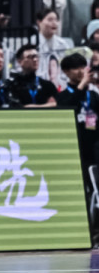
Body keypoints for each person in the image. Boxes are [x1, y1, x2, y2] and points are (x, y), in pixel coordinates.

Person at [56, 52, 99, 200]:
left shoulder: (93, 95)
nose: (81, 71)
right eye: (76, 68)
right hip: (74, 145)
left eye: (83, 67)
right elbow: (68, 107)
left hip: (93, 144)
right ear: (66, 72)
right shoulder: (62, 96)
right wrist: (82, 85)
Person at [36, 7, 74, 89]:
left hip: (61, 84)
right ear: (39, 22)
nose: (54, 23)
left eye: (56, 20)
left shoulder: (63, 44)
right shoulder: (33, 42)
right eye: (50, 20)